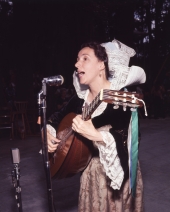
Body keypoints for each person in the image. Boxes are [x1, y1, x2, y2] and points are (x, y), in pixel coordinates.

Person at [46, 40, 146, 212]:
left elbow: (130, 139)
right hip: (90, 176)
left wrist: (97, 136)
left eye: (85, 58)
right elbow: (55, 118)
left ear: (101, 64)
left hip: (116, 175)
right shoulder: (79, 99)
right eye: (77, 59)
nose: (77, 64)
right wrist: (48, 133)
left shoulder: (119, 99)